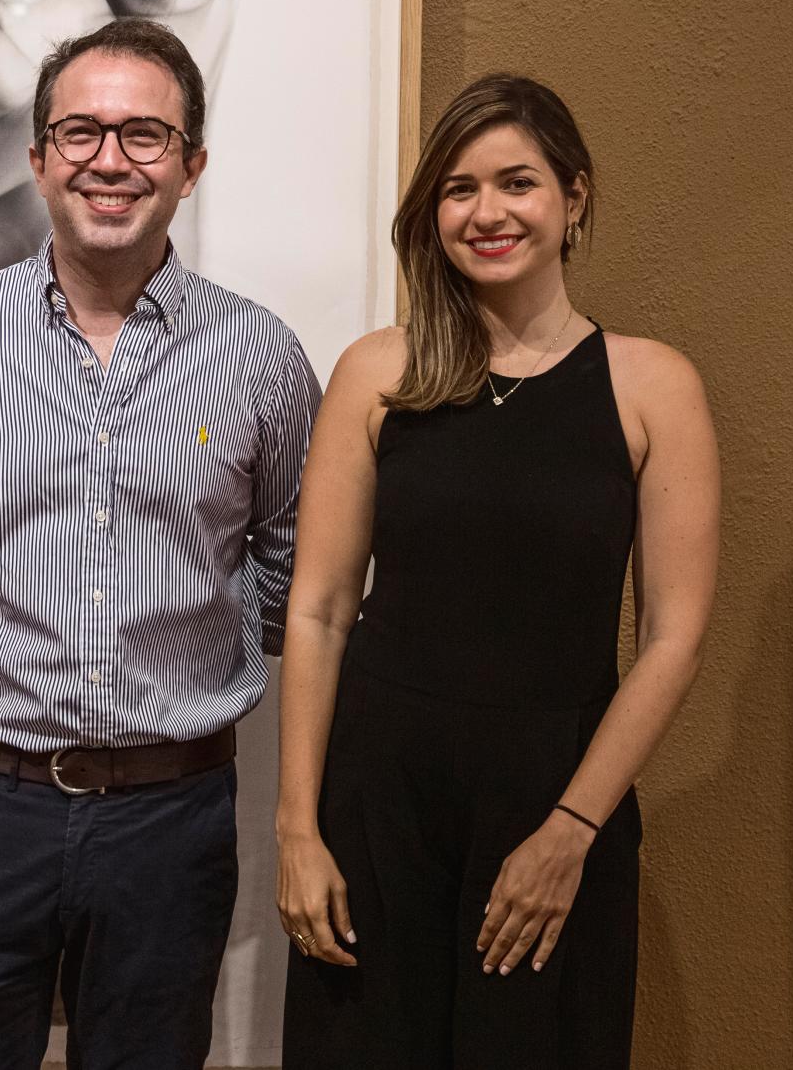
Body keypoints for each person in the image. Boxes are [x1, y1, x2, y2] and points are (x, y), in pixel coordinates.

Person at [0, 17, 321, 1069]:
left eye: (145, 134)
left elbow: (295, 556)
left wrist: (197, 649)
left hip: (171, 814)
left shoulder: (260, 356)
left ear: (191, 165)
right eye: (81, 132)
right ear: (38, 157)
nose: (110, 159)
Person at [276, 75, 720, 1067]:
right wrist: (296, 828)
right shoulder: (378, 371)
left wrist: (570, 829)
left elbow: (673, 639)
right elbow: (319, 608)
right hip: (377, 802)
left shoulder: (653, 386)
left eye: (515, 182)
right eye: (457, 188)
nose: (486, 212)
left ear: (573, 195)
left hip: (553, 797)